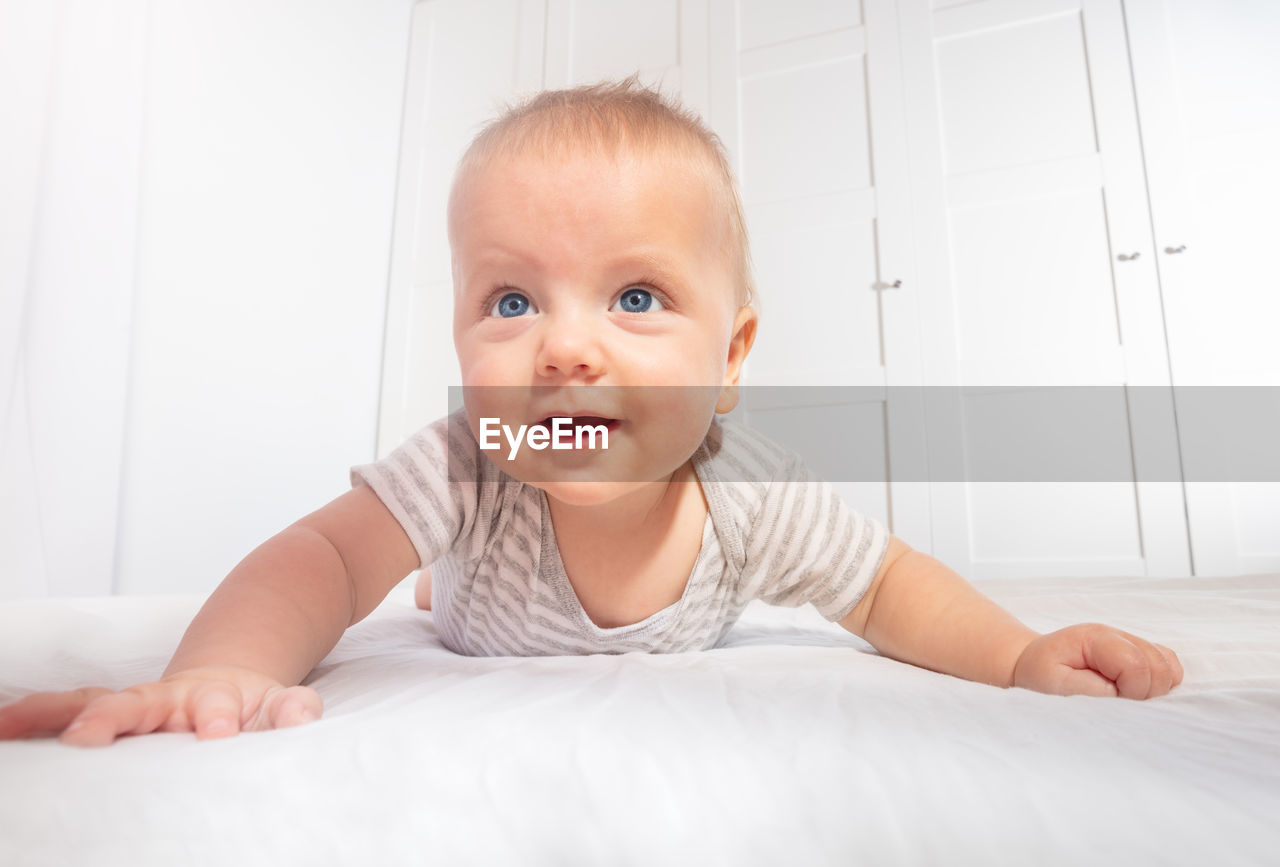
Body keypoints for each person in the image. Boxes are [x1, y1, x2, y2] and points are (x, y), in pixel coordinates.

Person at [0, 79, 1182, 748]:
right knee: (407, 567)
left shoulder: (745, 490)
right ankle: (436, 578)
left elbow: (886, 586)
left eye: (635, 296)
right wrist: (217, 673)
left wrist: (1018, 656)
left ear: (729, 358)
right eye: (510, 299)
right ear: (462, 336)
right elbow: (316, 558)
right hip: (473, 591)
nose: (564, 345)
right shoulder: (476, 461)